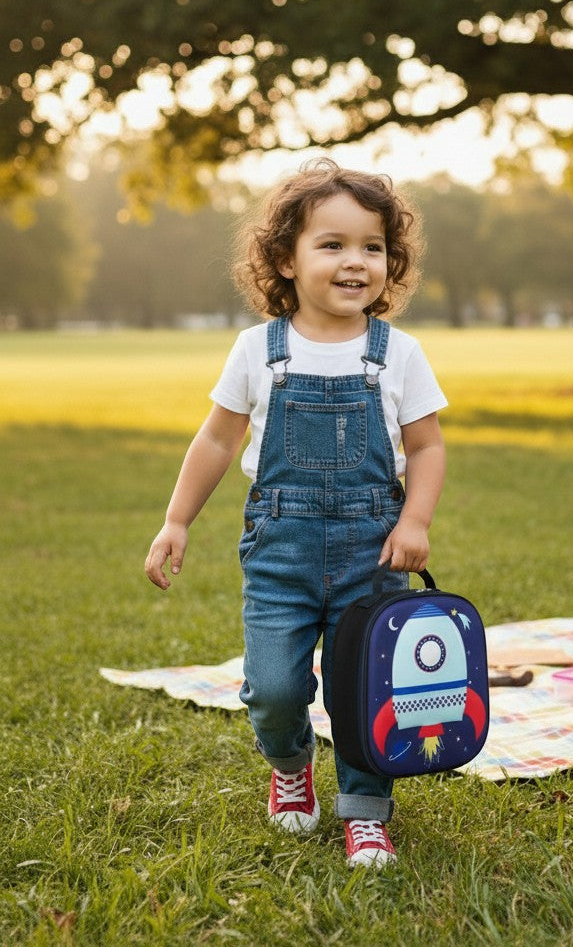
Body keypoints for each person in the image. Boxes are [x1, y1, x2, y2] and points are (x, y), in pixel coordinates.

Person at [144, 158, 447, 868]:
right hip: (279, 545)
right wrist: (177, 520)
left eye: (372, 247)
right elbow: (218, 438)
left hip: (371, 550)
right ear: (285, 258)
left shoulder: (397, 355)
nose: (355, 262)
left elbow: (426, 448)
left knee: (363, 689)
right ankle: (289, 767)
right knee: (275, 687)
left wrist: (415, 522)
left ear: (390, 261)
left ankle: (366, 811)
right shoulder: (259, 351)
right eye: (332, 244)